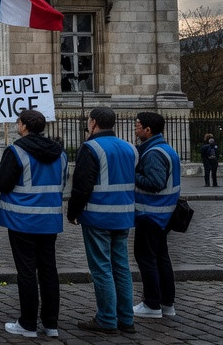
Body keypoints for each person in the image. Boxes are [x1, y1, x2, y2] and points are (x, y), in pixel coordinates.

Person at [0, 109, 65, 339]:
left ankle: (28, 323)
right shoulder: (59, 152)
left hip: (22, 219)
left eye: (18, 122)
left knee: (27, 271)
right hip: (49, 218)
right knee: (49, 270)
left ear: (24, 126)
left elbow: (2, 183)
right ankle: (51, 323)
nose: (17, 125)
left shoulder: (16, 151)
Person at [66, 106, 137, 335]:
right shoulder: (130, 148)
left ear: (93, 122)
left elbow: (82, 185)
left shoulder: (91, 147)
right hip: (124, 215)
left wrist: (73, 212)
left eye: (88, 120)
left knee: (102, 269)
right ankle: (126, 318)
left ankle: (107, 318)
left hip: (98, 215)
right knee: (122, 267)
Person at [132, 112, 181, 320]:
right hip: (164, 213)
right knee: (161, 258)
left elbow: (154, 183)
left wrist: (130, 173)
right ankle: (167, 303)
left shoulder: (153, 153)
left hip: (151, 213)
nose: (135, 129)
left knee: (146, 258)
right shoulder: (166, 149)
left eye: (138, 125)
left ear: (148, 130)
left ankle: (152, 303)